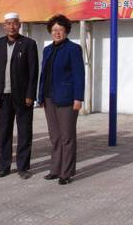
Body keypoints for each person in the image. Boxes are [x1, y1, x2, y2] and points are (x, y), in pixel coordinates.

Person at [0, 12, 38, 179]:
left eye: (15, 23)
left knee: (24, 132)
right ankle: (4, 166)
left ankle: (23, 167)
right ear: (4, 26)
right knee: (4, 132)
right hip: (3, 96)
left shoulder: (29, 44)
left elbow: (33, 71)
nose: (11, 27)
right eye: (8, 23)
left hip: (23, 97)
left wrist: (30, 94)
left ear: (19, 25)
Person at [37, 14, 85, 185]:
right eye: (54, 30)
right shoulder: (47, 50)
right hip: (49, 98)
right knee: (55, 137)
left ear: (66, 31)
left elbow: (79, 75)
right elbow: (44, 75)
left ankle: (67, 172)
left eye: (60, 29)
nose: (57, 33)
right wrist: (40, 96)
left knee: (67, 137)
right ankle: (55, 169)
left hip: (67, 99)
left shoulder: (73, 49)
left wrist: (78, 98)